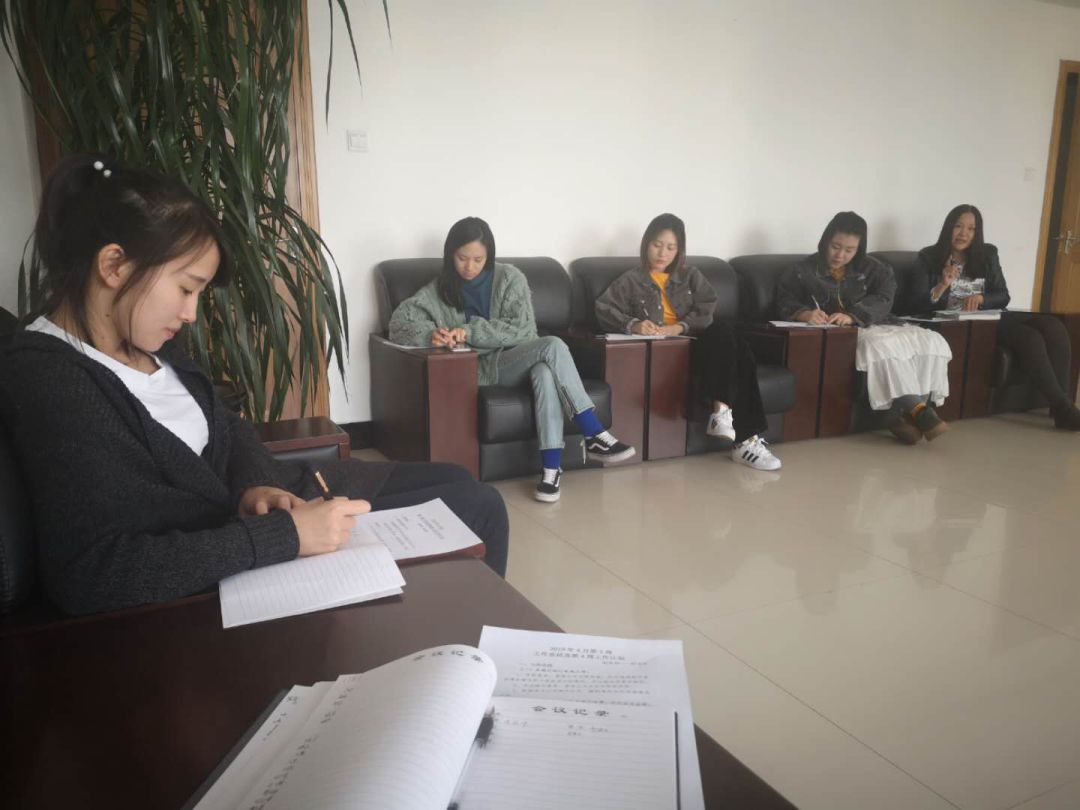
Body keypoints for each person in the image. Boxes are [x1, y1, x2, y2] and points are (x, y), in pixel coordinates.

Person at [0, 155, 509, 616]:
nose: (191, 313)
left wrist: (258, 488)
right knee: (479, 507)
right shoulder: (51, 378)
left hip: (274, 505)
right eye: (185, 288)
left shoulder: (142, 338)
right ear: (114, 265)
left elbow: (227, 427)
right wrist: (283, 537)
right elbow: (94, 572)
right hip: (238, 559)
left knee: (459, 481)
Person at [388, 216, 634, 503]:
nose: (469, 267)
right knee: (552, 347)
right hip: (479, 369)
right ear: (450, 255)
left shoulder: (509, 278)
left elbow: (524, 330)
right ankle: (593, 432)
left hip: (516, 359)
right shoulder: (437, 290)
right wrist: (431, 334)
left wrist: (468, 331)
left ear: (489, 256)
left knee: (544, 369)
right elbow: (398, 325)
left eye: (478, 259)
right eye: (462, 258)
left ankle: (551, 471)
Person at [594, 213, 781, 470]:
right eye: (657, 245)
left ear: (679, 250)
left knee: (730, 335)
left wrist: (678, 326)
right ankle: (741, 436)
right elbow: (603, 308)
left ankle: (724, 416)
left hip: (701, 346)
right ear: (646, 244)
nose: (663, 253)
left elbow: (708, 308)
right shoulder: (630, 281)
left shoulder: (690, 276)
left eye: (671, 247)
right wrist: (633, 324)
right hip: (668, 355)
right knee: (735, 344)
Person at [776, 211, 953, 444]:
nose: (840, 255)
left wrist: (853, 315)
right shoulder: (802, 270)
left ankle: (905, 418)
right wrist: (805, 313)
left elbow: (885, 298)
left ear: (859, 249)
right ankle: (918, 411)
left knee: (930, 340)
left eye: (849, 250)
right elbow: (784, 299)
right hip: (844, 335)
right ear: (825, 240)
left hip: (876, 322)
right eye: (835, 246)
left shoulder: (876, 269)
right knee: (879, 345)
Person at [913, 204, 1080, 430]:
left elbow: (1003, 295)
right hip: (963, 325)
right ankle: (1063, 409)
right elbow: (919, 302)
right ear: (948, 227)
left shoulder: (987, 254)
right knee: (1029, 337)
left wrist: (981, 298)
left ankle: (1062, 405)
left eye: (971, 229)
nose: (964, 233)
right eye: (958, 226)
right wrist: (943, 284)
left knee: (1053, 325)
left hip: (991, 315)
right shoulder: (929, 257)